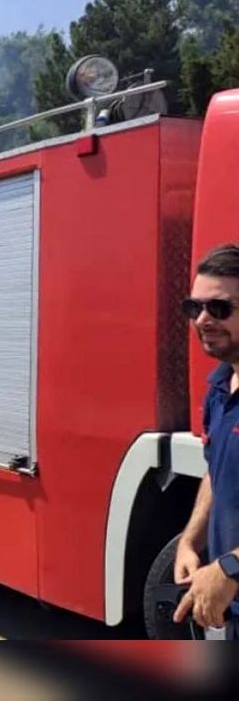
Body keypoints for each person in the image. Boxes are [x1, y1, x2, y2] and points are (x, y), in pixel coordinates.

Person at [173, 244, 239, 638]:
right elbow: (216, 472)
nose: (202, 319)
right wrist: (191, 541)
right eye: (193, 307)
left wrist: (230, 567)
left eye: (219, 309)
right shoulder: (219, 386)